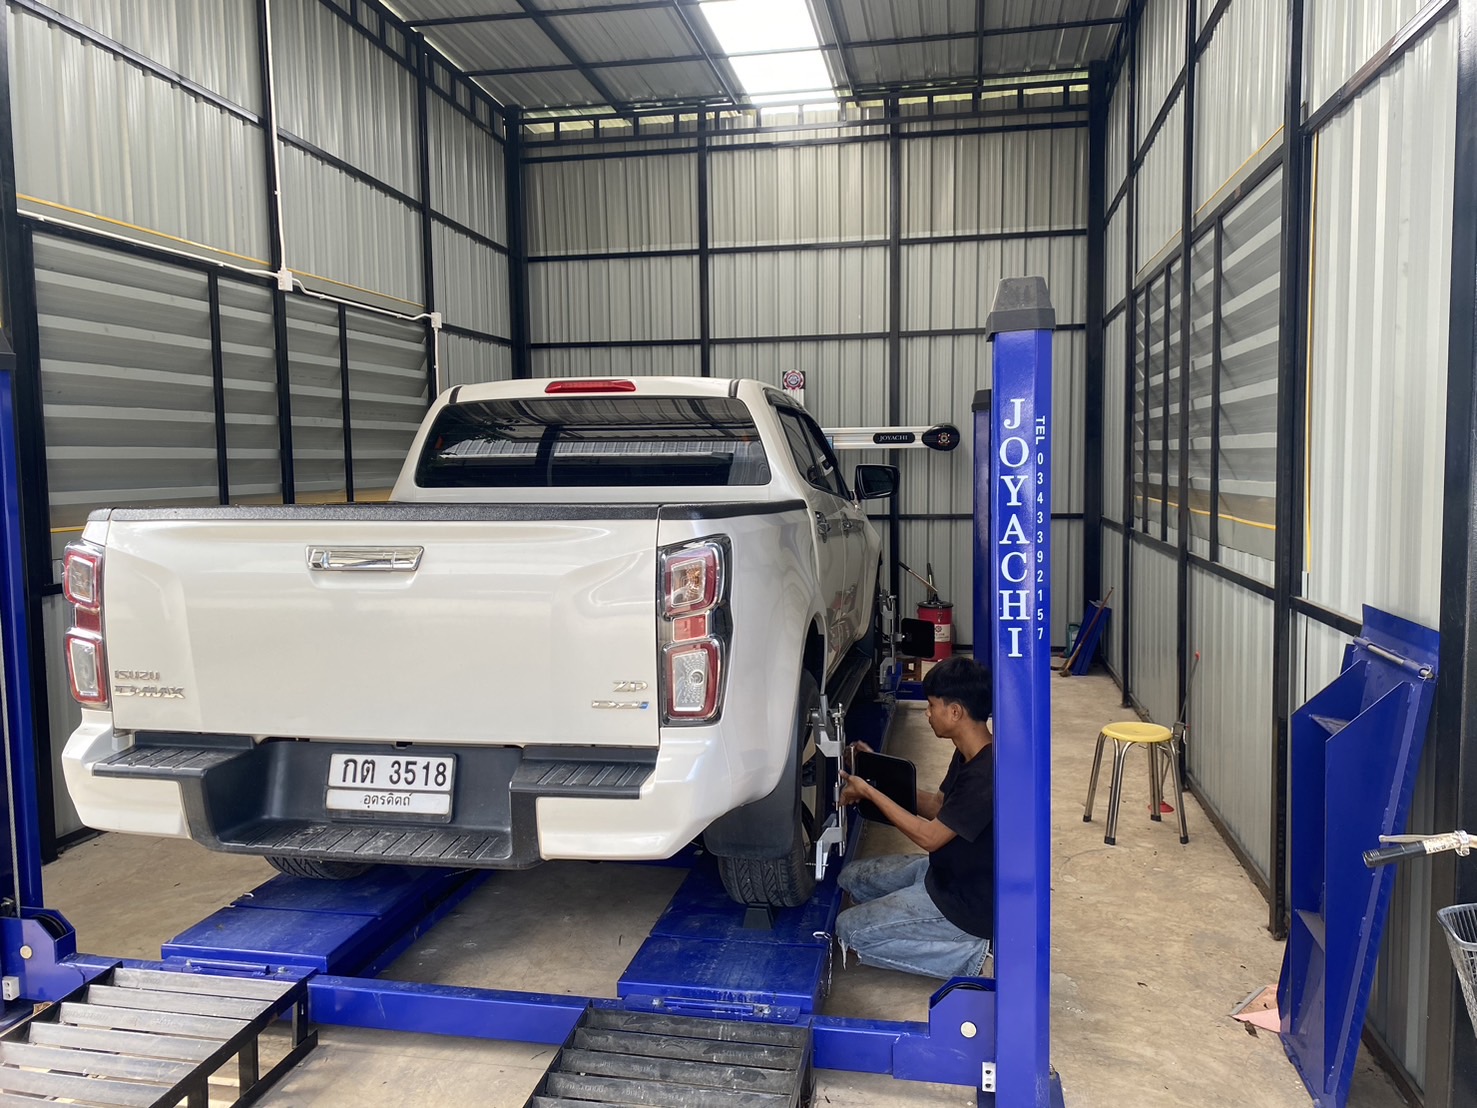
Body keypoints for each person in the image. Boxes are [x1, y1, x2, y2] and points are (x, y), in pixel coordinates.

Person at [834, 655, 994, 979]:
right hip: (945, 873)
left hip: (967, 903)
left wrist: (870, 793)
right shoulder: (968, 752)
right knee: (851, 878)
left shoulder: (986, 775)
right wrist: (878, 770)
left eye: (932, 705)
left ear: (955, 712)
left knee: (848, 929)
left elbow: (930, 837)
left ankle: (976, 958)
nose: (927, 713)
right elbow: (937, 806)